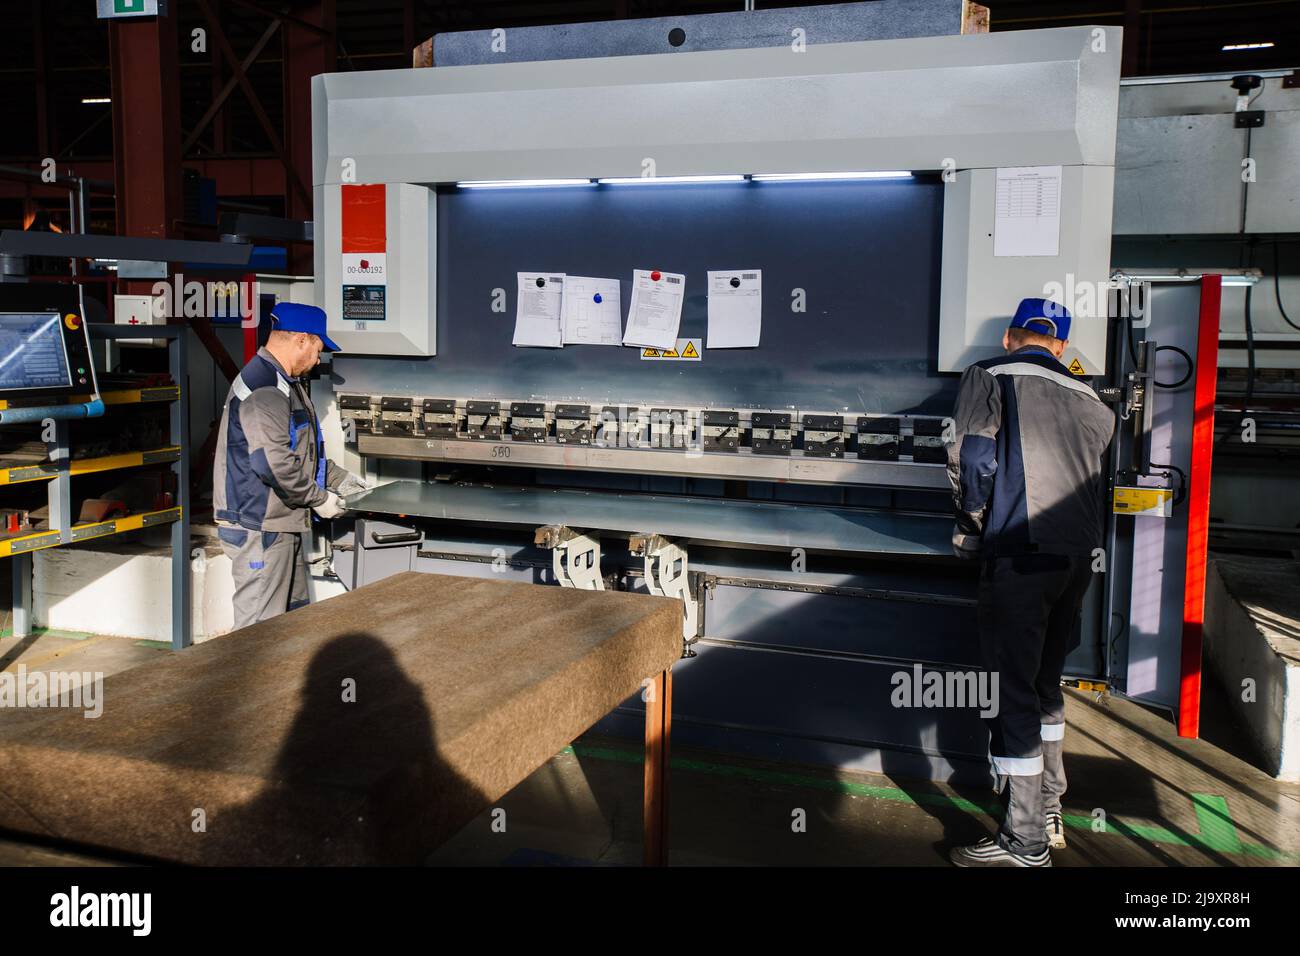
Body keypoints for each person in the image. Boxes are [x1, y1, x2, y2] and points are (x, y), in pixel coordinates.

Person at [945, 297, 1116, 867]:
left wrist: (972, 529)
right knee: (1045, 687)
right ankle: (1047, 805)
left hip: (1020, 553)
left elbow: (972, 460)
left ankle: (1024, 842)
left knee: (1011, 693)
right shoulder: (1094, 400)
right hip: (1077, 560)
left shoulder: (989, 375)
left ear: (1013, 336)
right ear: (1061, 346)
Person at [214, 303, 368, 628]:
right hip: (258, 525)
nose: (317, 360)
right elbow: (274, 464)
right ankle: (246, 683)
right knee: (258, 635)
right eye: (317, 349)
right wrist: (320, 499)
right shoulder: (265, 388)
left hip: (280, 523)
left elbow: (300, 453)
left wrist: (340, 480)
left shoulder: (286, 383)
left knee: (289, 624)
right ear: (301, 340)